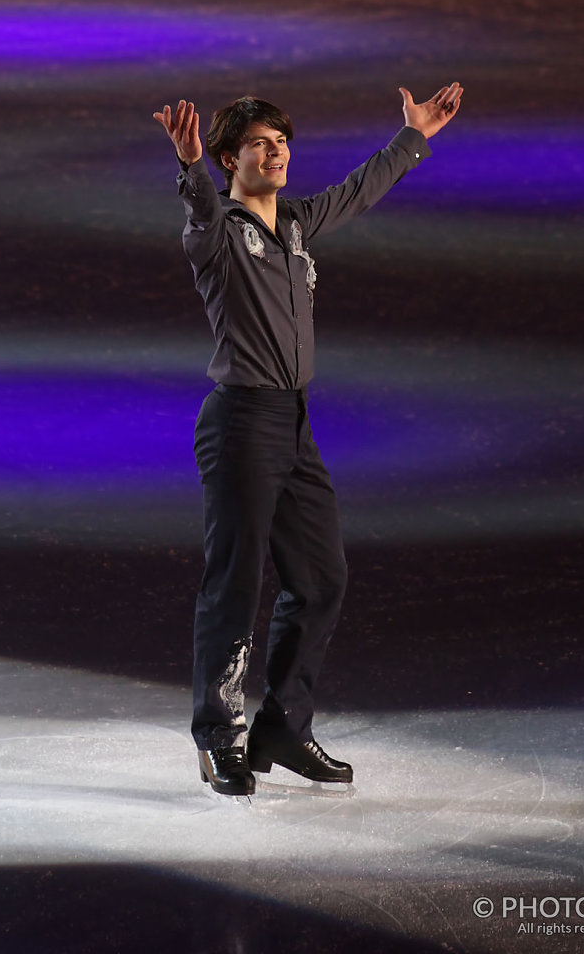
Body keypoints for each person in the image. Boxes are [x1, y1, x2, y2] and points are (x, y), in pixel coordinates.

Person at [153, 82, 464, 796]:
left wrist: (412, 137)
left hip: (293, 424)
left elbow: (356, 191)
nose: (277, 152)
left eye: (282, 141)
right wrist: (190, 167)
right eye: (261, 144)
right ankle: (217, 737)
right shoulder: (218, 232)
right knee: (233, 586)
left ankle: (283, 729)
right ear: (232, 158)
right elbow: (200, 207)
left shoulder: (293, 223)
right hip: (240, 424)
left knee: (321, 580)